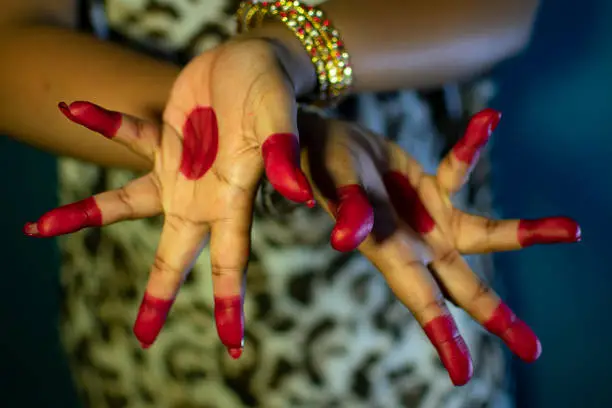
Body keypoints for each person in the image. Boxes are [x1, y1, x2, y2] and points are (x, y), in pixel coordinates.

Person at [0, 0, 576, 407]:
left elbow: (500, 9)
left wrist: (282, 58)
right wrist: (253, 132)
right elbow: (15, 35)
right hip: (161, 306)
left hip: (398, 292)